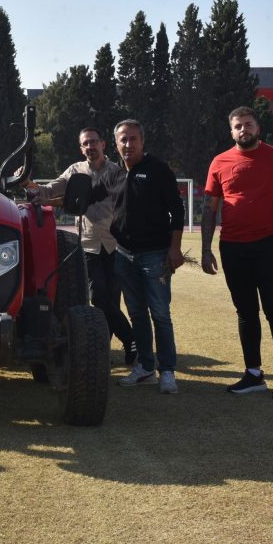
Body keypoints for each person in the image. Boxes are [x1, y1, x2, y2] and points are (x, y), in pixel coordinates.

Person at [201, 106, 273, 399]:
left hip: (269, 245)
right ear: (231, 131)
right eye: (238, 126)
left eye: (248, 124)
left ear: (257, 128)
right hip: (233, 247)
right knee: (246, 312)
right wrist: (206, 249)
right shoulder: (219, 161)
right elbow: (210, 209)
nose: (243, 130)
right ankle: (253, 374)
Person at [27, 127, 136, 366]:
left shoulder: (116, 172)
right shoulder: (74, 171)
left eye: (94, 142)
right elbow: (48, 190)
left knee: (112, 300)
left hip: (114, 243)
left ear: (103, 144)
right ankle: (130, 340)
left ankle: (104, 352)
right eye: (85, 143)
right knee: (98, 298)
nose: (90, 147)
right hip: (87, 244)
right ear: (81, 148)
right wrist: (27, 182)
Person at [102, 120, 185, 393]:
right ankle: (146, 367)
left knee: (160, 314)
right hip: (123, 255)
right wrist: (41, 195)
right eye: (123, 140)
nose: (128, 144)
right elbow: (87, 195)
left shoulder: (158, 170)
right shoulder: (114, 173)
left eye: (133, 139)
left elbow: (177, 211)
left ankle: (168, 371)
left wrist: (175, 248)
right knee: (137, 313)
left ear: (142, 141)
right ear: (116, 143)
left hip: (155, 255)